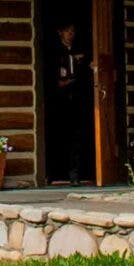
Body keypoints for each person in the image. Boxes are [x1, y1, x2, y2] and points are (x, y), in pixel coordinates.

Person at [44, 22, 93, 185]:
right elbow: (52, 76)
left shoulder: (82, 51)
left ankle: (75, 175)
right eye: (67, 31)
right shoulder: (54, 52)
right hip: (59, 102)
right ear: (60, 32)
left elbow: (89, 72)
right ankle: (54, 174)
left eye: (72, 31)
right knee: (58, 137)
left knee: (77, 139)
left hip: (78, 100)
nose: (70, 34)